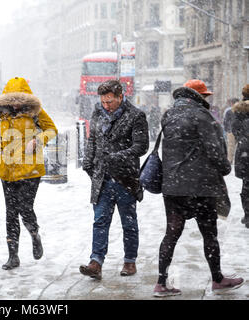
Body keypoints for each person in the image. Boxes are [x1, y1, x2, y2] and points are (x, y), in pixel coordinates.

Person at [153, 79, 244, 297]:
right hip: (200, 186)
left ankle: (161, 283)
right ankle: (217, 279)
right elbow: (215, 152)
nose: (206, 100)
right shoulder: (202, 116)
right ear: (197, 96)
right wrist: (224, 167)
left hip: (173, 186)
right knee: (209, 234)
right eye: (204, 96)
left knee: (171, 234)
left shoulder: (169, 115)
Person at [80, 79, 149, 280]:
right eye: (103, 101)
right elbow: (92, 139)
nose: (106, 105)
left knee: (128, 222)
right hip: (101, 177)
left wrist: (117, 156)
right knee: (100, 220)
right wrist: (88, 162)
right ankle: (96, 262)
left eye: (110, 101)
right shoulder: (98, 112)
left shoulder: (136, 115)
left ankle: (130, 261)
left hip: (125, 178)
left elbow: (141, 146)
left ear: (120, 97)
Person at [0, 77, 57, 270]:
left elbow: (52, 129)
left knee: (24, 208)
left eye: (19, 98)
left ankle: (34, 234)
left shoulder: (35, 112)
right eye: (12, 99)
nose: (15, 103)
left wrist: (37, 140)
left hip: (30, 170)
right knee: (11, 213)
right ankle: (13, 256)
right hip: (8, 169)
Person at [232, 84, 249, 228]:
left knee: (246, 184)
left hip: (245, 151)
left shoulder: (239, 110)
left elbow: (234, 130)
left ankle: (248, 215)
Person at [223, 98, 239, 164]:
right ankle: (234, 159)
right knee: (237, 146)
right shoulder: (240, 111)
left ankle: (230, 160)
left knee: (231, 146)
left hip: (232, 130)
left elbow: (226, 121)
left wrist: (227, 130)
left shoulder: (229, 111)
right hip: (238, 131)